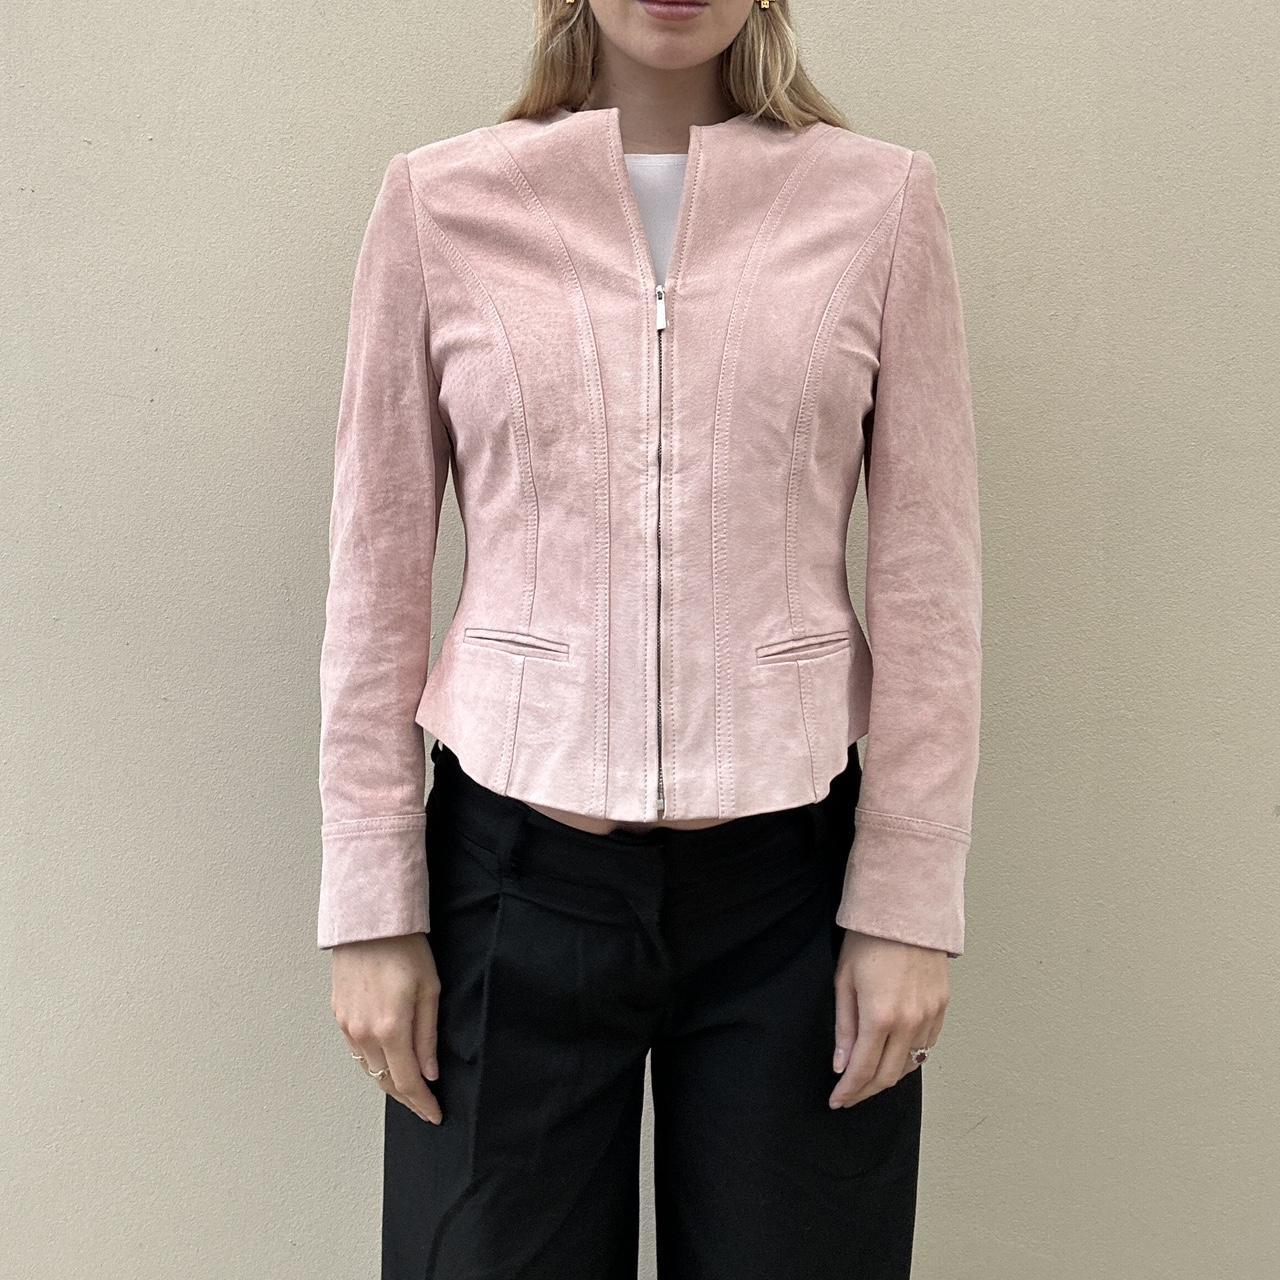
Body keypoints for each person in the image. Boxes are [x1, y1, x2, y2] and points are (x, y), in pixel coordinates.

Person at [316, 1, 981, 1276]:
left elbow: (929, 582)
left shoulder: (879, 205)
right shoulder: (438, 204)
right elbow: (373, 576)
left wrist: (906, 903)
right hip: (507, 882)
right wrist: (370, 906)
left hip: (791, 894)